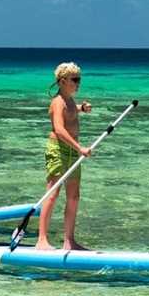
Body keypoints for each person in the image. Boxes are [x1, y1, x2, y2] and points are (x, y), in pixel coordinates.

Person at [36, 62, 93, 250]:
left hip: (72, 152)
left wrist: (81, 108)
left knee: (74, 196)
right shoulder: (57, 102)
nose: (78, 83)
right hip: (58, 150)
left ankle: (69, 241)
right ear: (62, 81)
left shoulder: (68, 101)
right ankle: (41, 240)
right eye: (75, 80)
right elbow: (59, 129)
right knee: (53, 193)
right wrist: (80, 148)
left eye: (79, 79)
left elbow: (71, 109)